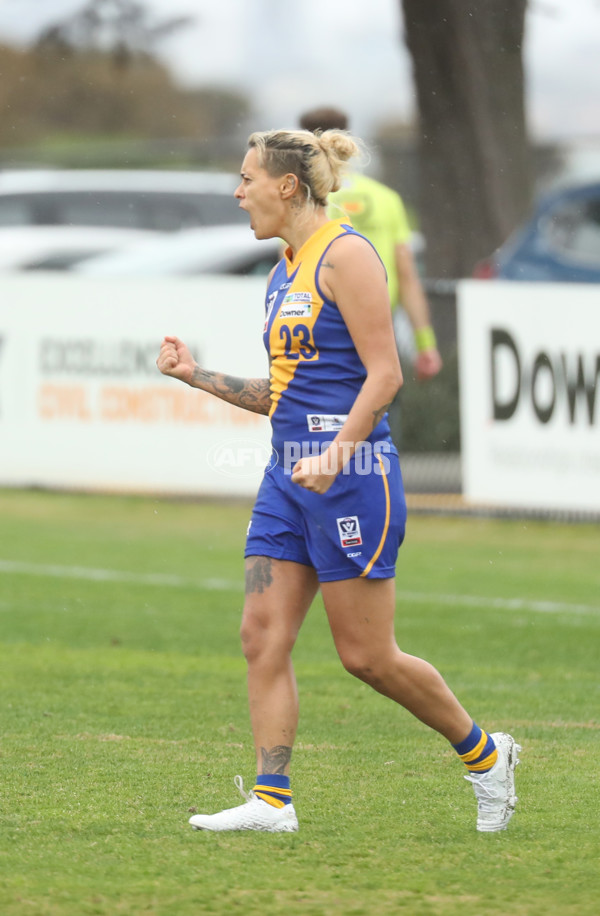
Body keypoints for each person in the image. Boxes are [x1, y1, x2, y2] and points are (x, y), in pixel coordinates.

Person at [156, 127, 520, 834]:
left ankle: (485, 756)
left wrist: (336, 454)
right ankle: (271, 801)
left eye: (246, 179)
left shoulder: (347, 256)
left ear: (286, 185)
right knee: (261, 635)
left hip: (352, 476)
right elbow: (280, 395)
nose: (238, 194)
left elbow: (384, 375)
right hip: (288, 479)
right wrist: (193, 374)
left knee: (367, 657)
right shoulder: (281, 271)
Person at [299, 107, 442, 445]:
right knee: (381, 413)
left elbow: (291, 266)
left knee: (317, 414)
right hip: (379, 325)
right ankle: (378, 476)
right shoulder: (386, 198)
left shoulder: (305, 198)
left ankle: (319, 475)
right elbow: (407, 275)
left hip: (322, 324)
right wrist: (426, 343)